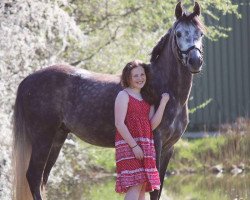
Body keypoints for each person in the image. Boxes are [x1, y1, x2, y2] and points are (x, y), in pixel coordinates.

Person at [115, 60, 170, 200]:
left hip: (145, 145)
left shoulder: (147, 97)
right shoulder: (123, 95)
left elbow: (151, 125)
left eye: (142, 74)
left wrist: (162, 103)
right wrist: (134, 146)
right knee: (136, 184)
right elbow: (119, 124)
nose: (140, 78)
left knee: (141, 188)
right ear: (128, 78)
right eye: (135, 76)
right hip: (129, 145)